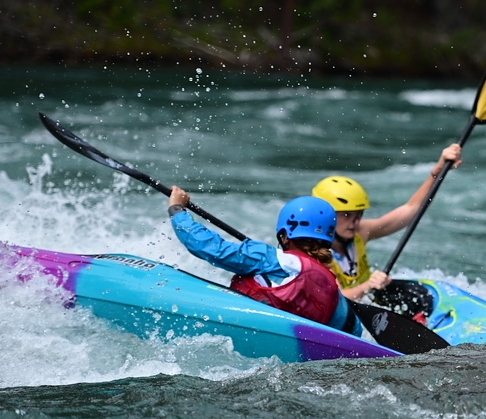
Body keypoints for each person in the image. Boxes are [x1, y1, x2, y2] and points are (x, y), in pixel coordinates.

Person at [167, 187, 362, 336]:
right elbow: (353, 332)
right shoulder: (331, 285)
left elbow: (208, 247)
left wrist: (177, 210)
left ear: (284, 236)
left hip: (254, 332)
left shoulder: (272, 258)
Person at [310, 144, 462, 319]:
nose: (355, 221)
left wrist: (438, 170)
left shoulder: (360, 232)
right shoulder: (315, 253)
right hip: (342, 313)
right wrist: (367, 285)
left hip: (368, 300)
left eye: (359, 214)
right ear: (324, 214)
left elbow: (411, 209)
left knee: (417, 294)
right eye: (347, 215)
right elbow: (337, 299)